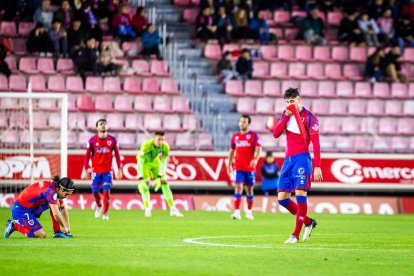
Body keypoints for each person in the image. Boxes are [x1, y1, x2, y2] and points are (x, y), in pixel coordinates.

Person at [272, 87, 322, 243]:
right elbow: (275, 134)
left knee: (300, 194)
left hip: (302, 158)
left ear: (299, 99)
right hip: (288, 160)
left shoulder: (310, 118)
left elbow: (315, 143)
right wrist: (286, 116)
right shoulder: (285, 114)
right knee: (282, 199)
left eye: (292, 101)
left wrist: (318, 165)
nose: (289, 104)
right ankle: (308, 221)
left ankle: (295, 234)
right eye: (286, 102)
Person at [4, 176, 75, 238]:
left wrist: (68, 227)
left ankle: (57, 232)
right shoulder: (50, 191)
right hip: (21, 210)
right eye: (66, 194)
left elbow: (62, 207)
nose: (66, 197)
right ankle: (14, 226)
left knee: (57, 203)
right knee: (41, 235)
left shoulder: (56, 188)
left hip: (32, 207)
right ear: (61, 189)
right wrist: (64, 226)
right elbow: (56, 214)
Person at [81, 118, 123, 220]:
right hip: (96, 171)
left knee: (106, 192)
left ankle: (105, 213)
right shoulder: (92, 140)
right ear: (97, 127)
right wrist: (85, 169)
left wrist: (119, 169)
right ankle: (99, 206)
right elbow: (87, 156)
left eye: (104, 124)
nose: (103, 125)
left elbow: (117, 155)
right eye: (101, 124)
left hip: (107, 171)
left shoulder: (112, 140)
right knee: (95, 192)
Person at [136, 132, 184, 218]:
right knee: (145, 186)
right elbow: (140, 160)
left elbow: (163, 160)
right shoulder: (146, 145)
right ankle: (147, 210)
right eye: (159, 139)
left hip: (155, 163)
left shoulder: (165, 147)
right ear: (154, 139)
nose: (161, 142)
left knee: (164, 182)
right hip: (145, 164)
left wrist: (160, 174)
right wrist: (140, 175)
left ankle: (173, 209)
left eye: (162, 139)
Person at [227, 115, 262, 220]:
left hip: (250, 168)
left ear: (248, 123)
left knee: (249, 189)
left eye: (244, 122)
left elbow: (259, 148)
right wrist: (229, 165)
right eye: (241, 121)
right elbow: (231, 151)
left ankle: (249, 212)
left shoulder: (253, 135)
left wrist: (255, 159)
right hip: (238, 167)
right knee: (238, 187)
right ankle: (237, 212)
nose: (242, 124)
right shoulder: (235, 136)